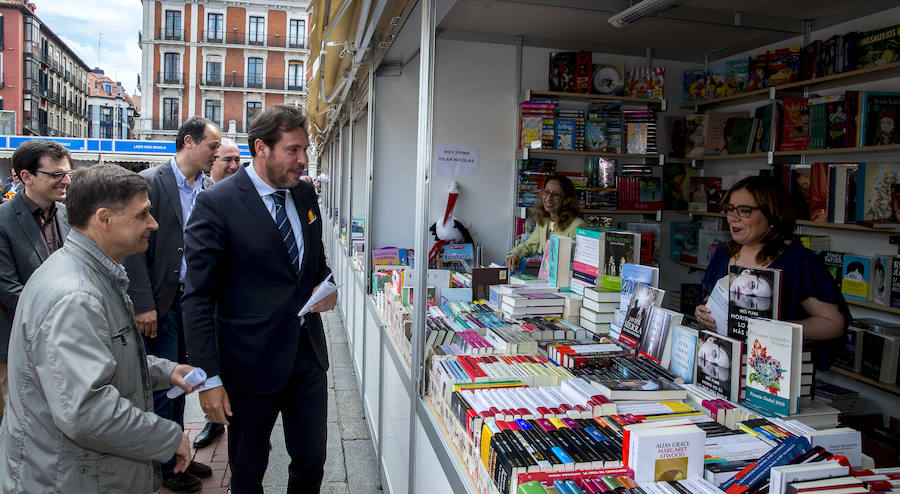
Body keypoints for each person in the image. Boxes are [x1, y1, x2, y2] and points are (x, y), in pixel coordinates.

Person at [0, 164, 198, 493]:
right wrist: (166, 436)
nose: (154, 223)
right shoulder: (76, 296)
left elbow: (103, 357)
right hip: (70, 479)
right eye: (143, 214)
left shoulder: (86, 274)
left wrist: (167, 371)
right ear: (104, 219)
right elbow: (86, 409)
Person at [183, 104, 336, 493]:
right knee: (249, 469)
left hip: (306, 355)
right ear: (260, 148)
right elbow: (198, 298)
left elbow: (315, 264)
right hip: (249, 363)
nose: (303, 161)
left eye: (305, 149)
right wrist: (208, 379)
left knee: (311, 460)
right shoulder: (217, 203)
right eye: (293, 150)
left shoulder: (304, 193)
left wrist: (326, 288)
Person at [122, 116, 220, 493]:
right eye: (213, 146)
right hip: (160, 304)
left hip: (194, 304)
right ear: (190, 142)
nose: (216, 153)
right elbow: (134, 252)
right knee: (162, 386)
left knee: (183, 383)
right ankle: (165, 466)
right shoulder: (151, 183)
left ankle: (179, 456)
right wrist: (143, 304)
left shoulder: (207, 188)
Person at [694, 176, 850, 368]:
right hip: (721, 371)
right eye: (729, 209)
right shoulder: (724, 253)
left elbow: (833, 325)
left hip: (773, 374)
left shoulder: (797, 260)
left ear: (772, 213)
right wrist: (702, 314)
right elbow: (709, 300)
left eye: (744, 210)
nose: (733, 217)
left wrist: (772, 329)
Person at [0, 140, 72, 425]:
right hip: (14, 348)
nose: (65, 180)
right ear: (26, 177)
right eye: (55, 174)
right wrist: (65, 318)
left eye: (67, 173)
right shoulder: (3, 220)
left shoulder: (67, 216)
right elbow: (8, 289)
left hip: (61, 346)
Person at [192, 136, 240, 450]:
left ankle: (237, 422)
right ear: (213, 162)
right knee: (206, 359)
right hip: (201, 291)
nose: (234, 165)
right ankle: (214, 422)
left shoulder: (244, 196)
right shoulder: (203, 195)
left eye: (238, 159)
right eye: (227, 159)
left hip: (233, 300)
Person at [505, 174, 585, 272]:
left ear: (567, 200)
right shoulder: (544, 222)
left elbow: (577, 262)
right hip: (547, 279)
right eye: (546, 192)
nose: (548, 198)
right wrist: (514, 255)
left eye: (555, 195)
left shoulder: (577, 225)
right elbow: (529, 245)